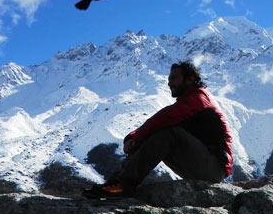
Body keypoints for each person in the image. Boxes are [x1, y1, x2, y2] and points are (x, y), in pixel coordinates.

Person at [83, 60, 233, 198]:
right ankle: (117, 183)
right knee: (158, 133)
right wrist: (137, 139)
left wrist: (135, 137)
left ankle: (124, 185)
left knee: (168, 134)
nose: (169, 83)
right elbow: (163, 122)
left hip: (214, 167)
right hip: (204, 164)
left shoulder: (199, 98)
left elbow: (166, 117)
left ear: (190, 79)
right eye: (168, 80)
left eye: (174, 78)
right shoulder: (191, 101)